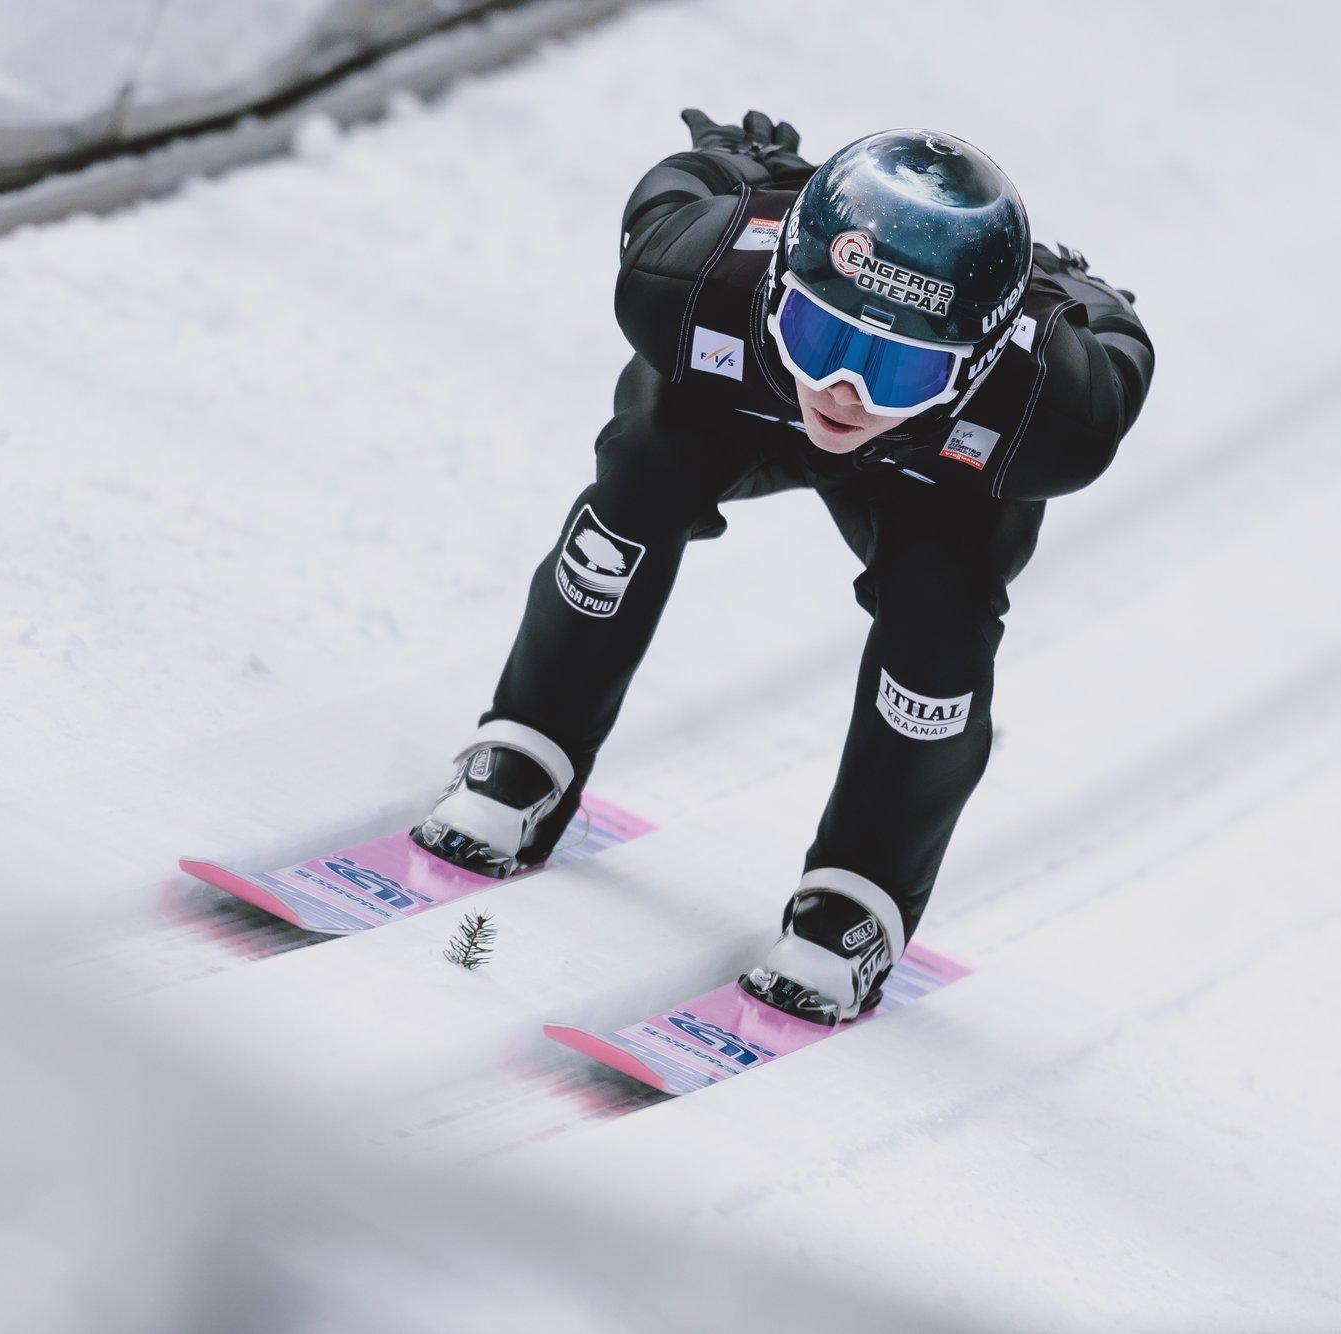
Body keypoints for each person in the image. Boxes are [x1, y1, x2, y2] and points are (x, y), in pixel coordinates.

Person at [413, 110, 1154, 1023]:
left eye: (900, 367)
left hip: (938, 481)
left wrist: (1070, 291)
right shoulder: (688, 271)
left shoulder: (1056, 406)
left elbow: (1119, 336)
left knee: (941, 628)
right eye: (821, 334)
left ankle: (858, 899)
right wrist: (748, 164)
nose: (843, 392)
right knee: (639, 478)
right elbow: (687, 181)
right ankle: (528, 749)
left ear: (977, 366)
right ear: (773, 287)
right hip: (731, 405)